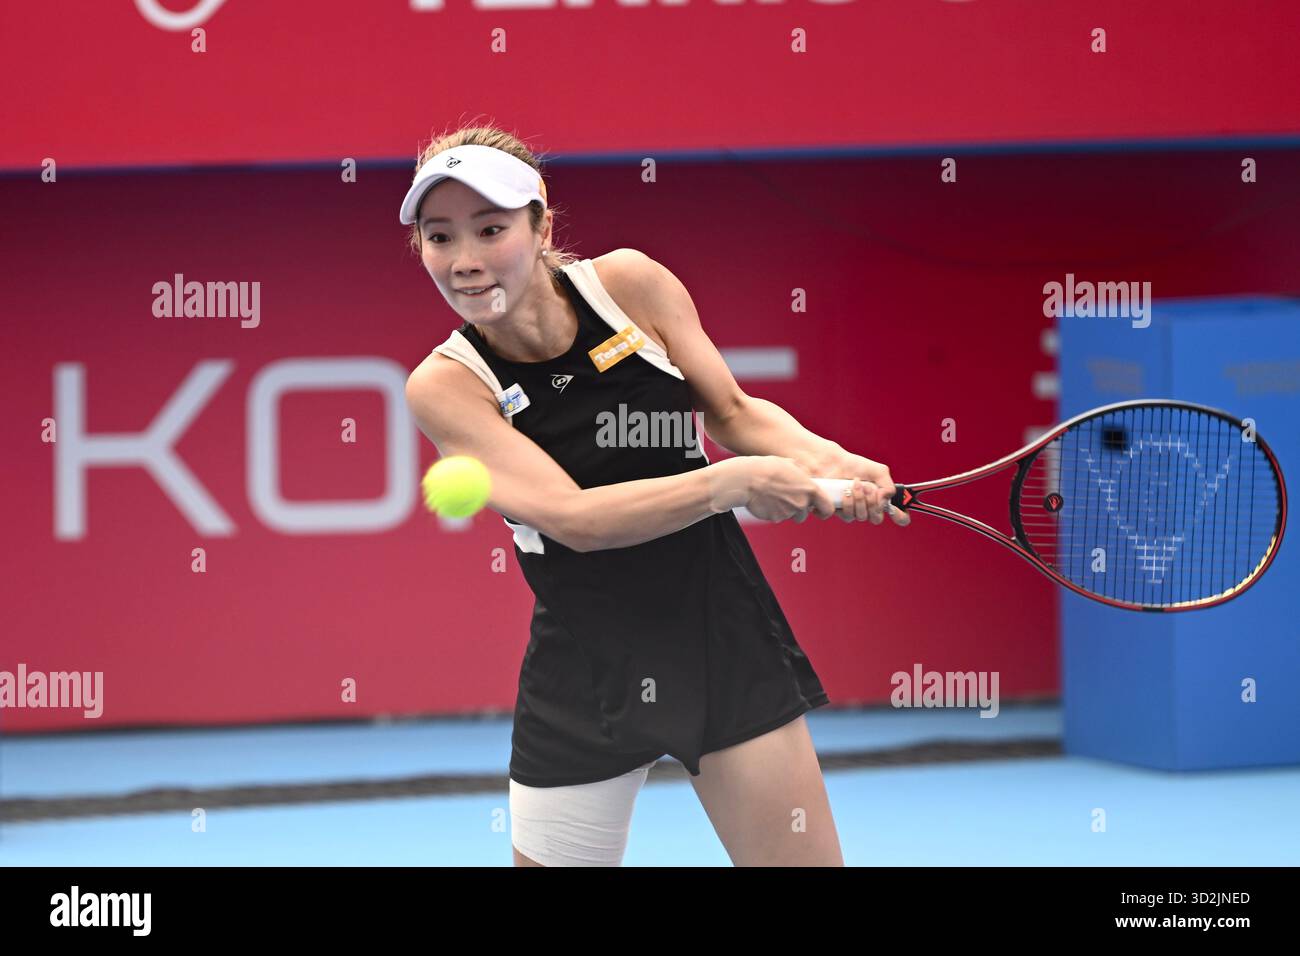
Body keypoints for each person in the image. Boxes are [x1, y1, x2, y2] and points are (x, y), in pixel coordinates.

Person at [400, 125, 910, 867]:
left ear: (541, 223)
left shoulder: (631, 286)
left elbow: (732, 413)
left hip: (720, 638)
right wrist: (731, 484)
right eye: (440, 237)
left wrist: (833, 461)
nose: (467, 261)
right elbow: (577, 520)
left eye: (491, 229)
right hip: (583, 670)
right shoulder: (446, 385)